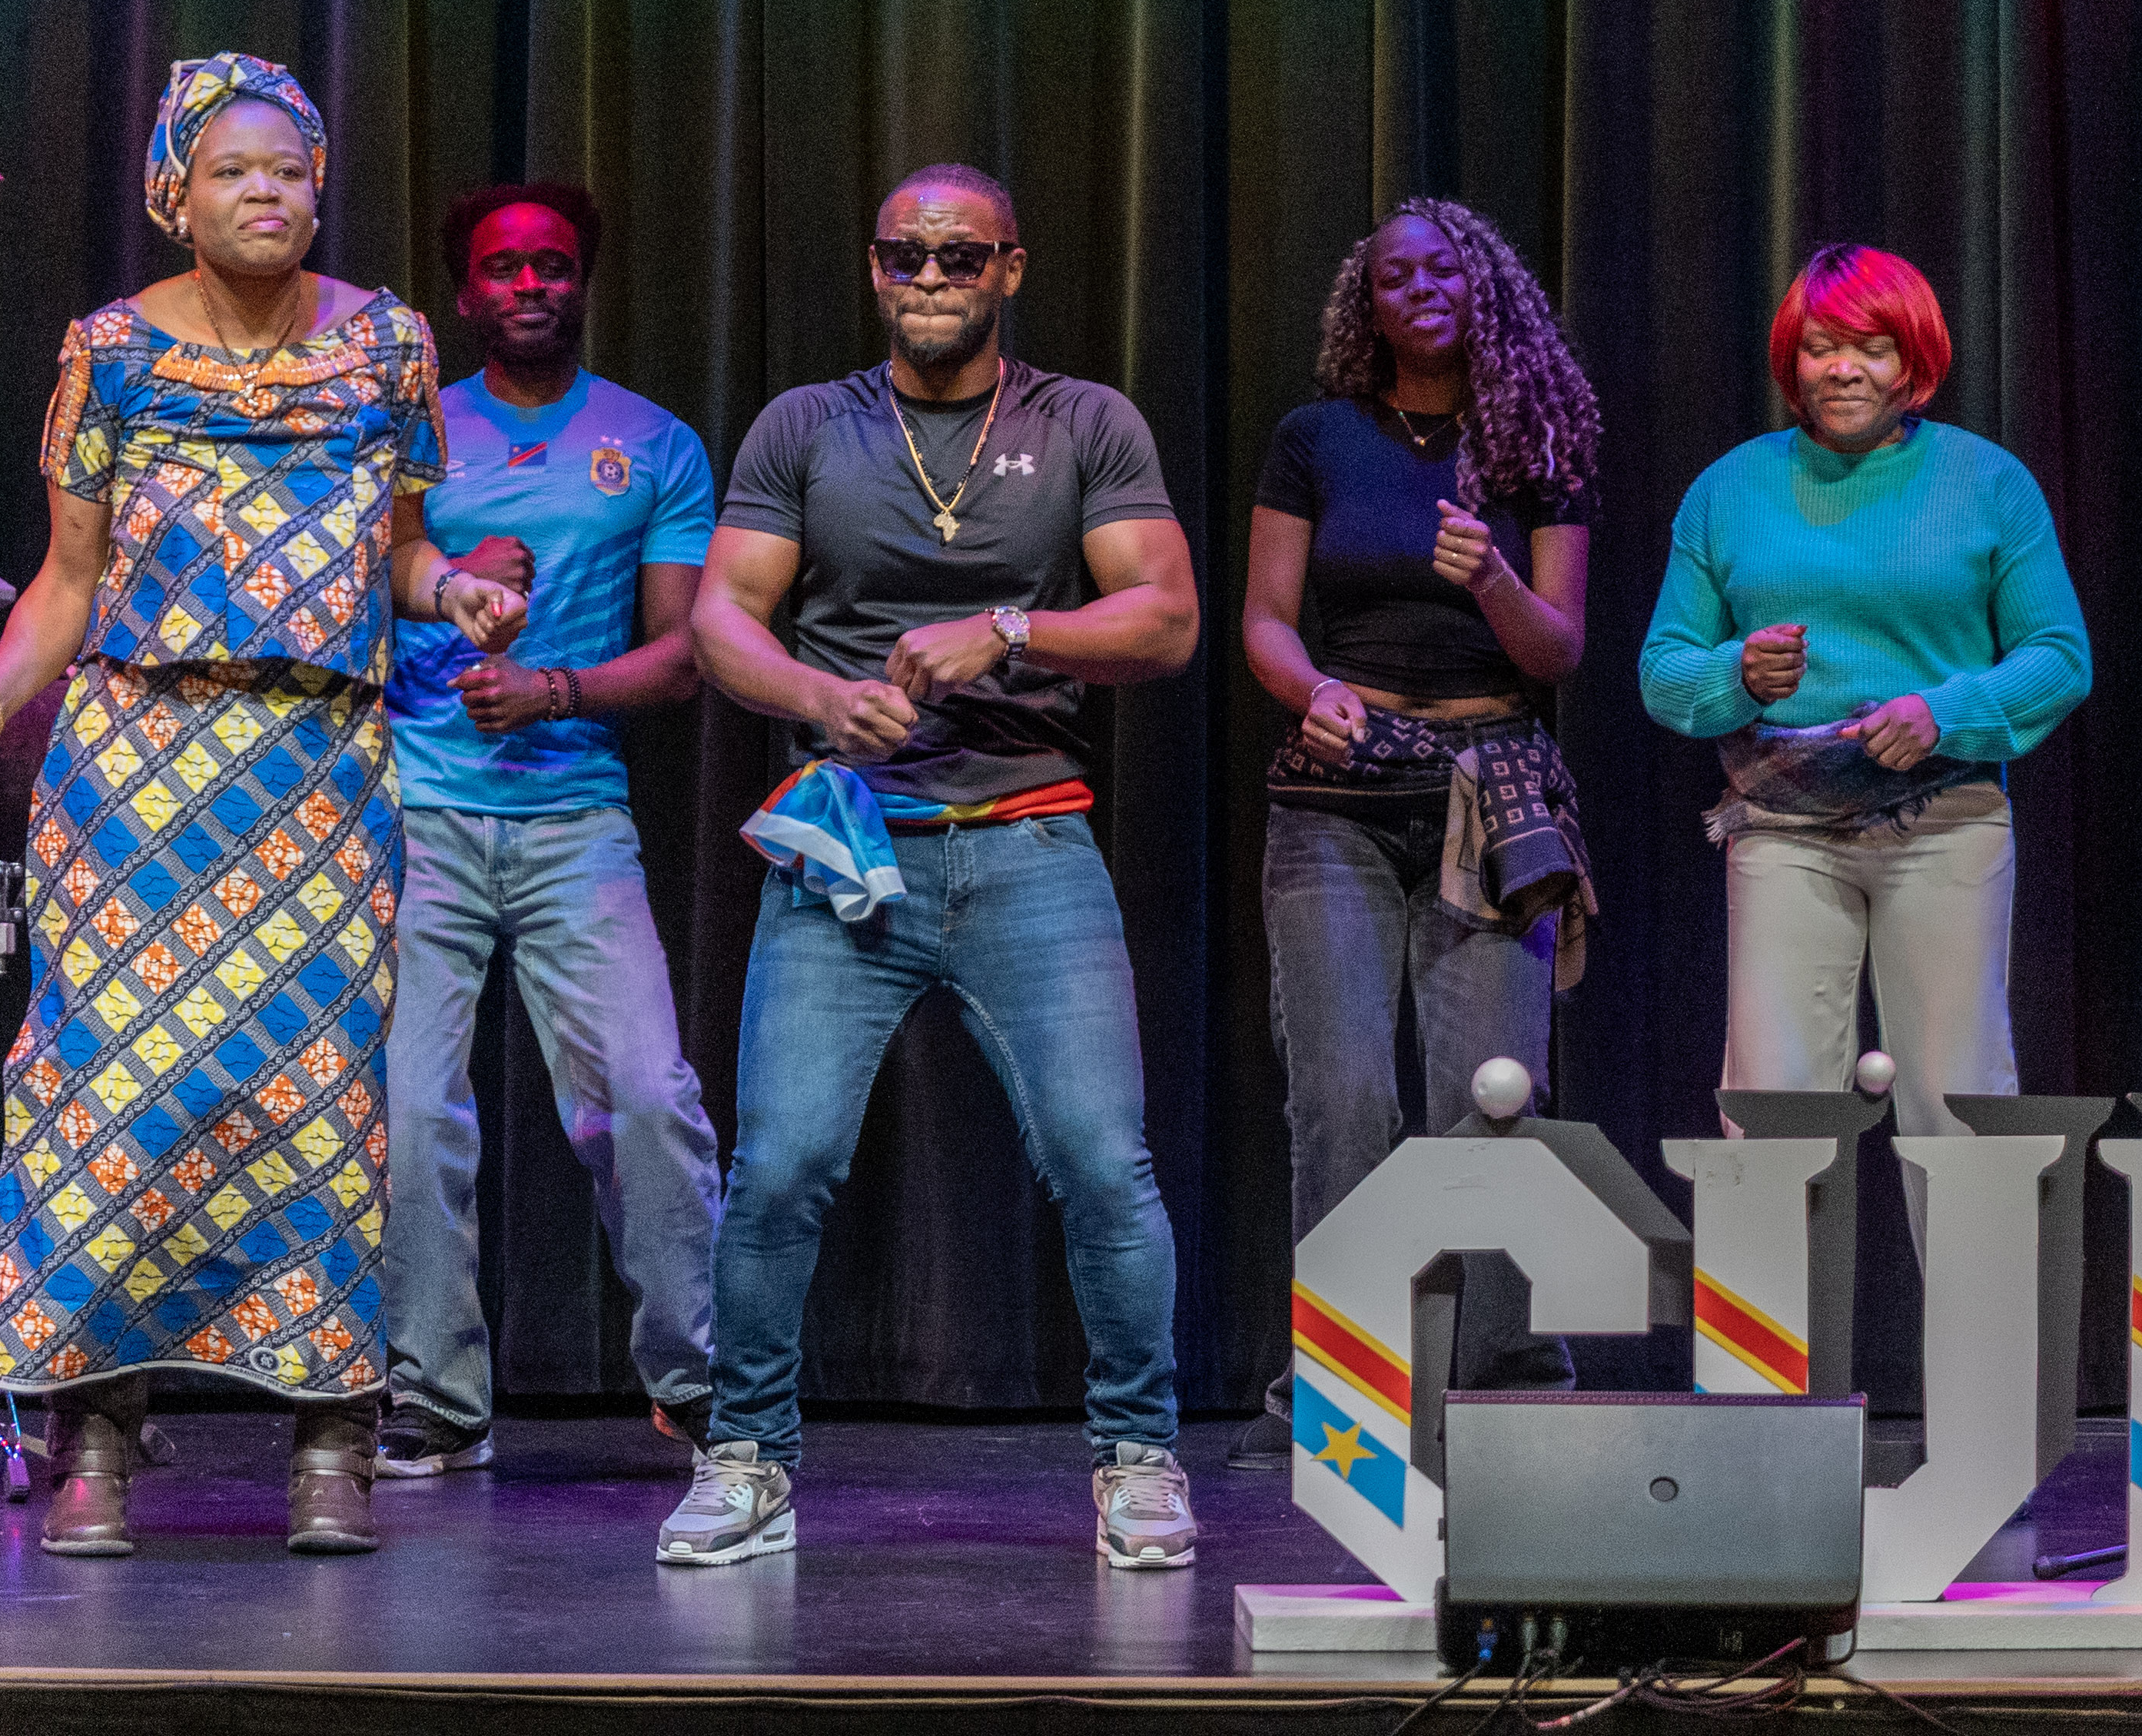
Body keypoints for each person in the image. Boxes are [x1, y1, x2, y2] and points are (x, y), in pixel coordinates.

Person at [0, 54, 523, 1556]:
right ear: (178, 192)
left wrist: (455, 594)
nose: (266, 194)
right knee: (114, 1102)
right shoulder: (110, 352)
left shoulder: (390, 348)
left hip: (315, 773)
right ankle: (96, 1435)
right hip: (137, 775)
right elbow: (70, 580)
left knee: (316, 1104)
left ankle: (330, 1439)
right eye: (234, 171)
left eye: (289, 171)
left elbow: (402, 550)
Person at [675, 162, 1200, 1571]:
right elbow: (722, 617)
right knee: (779, 1167)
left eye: (960, 257)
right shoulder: (809, 425)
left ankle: (1139, 1457)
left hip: (1030, 841)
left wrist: (1012, 631)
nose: (928, 279)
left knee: (1102, 1163)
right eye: (904, 255)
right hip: (849, 848)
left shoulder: (1083, 422)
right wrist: (816, 696)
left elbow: (1165, 618)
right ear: (873, 267)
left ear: (1009, 270)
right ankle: (748, 1460)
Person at [1230, 198, 1602, 1472]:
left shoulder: (1535, 440)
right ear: (1368, 304)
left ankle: (1503, 1385)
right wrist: (1311, 692)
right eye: (1395, 276)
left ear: (1482, 284)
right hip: (1338, 793)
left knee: (1493, 1097)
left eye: (1444, 270)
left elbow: (1559, 650)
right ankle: (1340, 1387)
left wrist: (1490, 577)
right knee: (1343, 1098)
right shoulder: (1317, 438)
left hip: (1491, 794)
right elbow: (1266, 618)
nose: (1421, 289)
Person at [1638, 244, 2089, 1250]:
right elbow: (1664, 672)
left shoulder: (1987, 482)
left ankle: (1981, 1348)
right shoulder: (1729, 490)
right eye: (1820, 347)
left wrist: (1945, 712)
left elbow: (2059, 657)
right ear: (1791, 361)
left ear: (1913, 360)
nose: (1841, 368)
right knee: (1773, 1107)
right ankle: (1766, 1350)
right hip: (1782, 828)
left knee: (1959, 1106)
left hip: (1945, 821)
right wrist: (1736, 675)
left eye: (1871, 348)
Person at [373, 182, 722, 1477]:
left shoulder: (656, 443)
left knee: (645, 1096)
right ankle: (437, 1397)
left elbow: (685, 654)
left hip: (576, 815)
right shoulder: (414, 430)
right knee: (411, 1111)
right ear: (464, 294)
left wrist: (555, 690)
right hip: (420, 809)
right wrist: (455, 589)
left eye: (554, 266)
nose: (530, 285)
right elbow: (352, 592)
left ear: (583, 283)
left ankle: (700, 1380)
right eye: (504, 268)